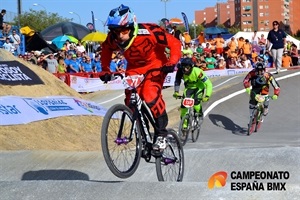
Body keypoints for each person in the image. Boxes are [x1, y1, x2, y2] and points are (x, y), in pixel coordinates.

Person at [100, 4, 181, 151]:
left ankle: (161, 133)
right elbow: (105, 50)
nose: (119, 35)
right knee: (131, 102)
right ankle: (142, 135)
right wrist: (105, 70)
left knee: (149, 95)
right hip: (134, 69)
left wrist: (172, 61)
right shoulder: (113, 39)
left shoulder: (151, 31)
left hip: (156, 65)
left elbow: (175, 43)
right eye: (115, 31)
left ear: (131, 27)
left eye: (123, 30)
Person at [173, 57, 213, 131]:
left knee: (196, 104)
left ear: (191, 67)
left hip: (199, 87)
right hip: (188, 88)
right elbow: (177, 81)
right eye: (183, 67)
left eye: (187, 68)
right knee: (184, 107)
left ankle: (199, 114)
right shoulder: (180, 71)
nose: (185, 70)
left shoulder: (198, 72)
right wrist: (176, 92)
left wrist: (207, 95)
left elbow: (208, 84)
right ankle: (184, 126)